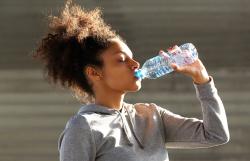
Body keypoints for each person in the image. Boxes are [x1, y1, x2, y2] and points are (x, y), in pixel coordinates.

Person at [33, 1, 230, 161]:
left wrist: (202, 80)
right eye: (121, 60)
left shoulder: (151, 116)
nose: (135, 64)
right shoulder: (83, 127)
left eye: (132, 57)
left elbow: (216, 134)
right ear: (94, 73)